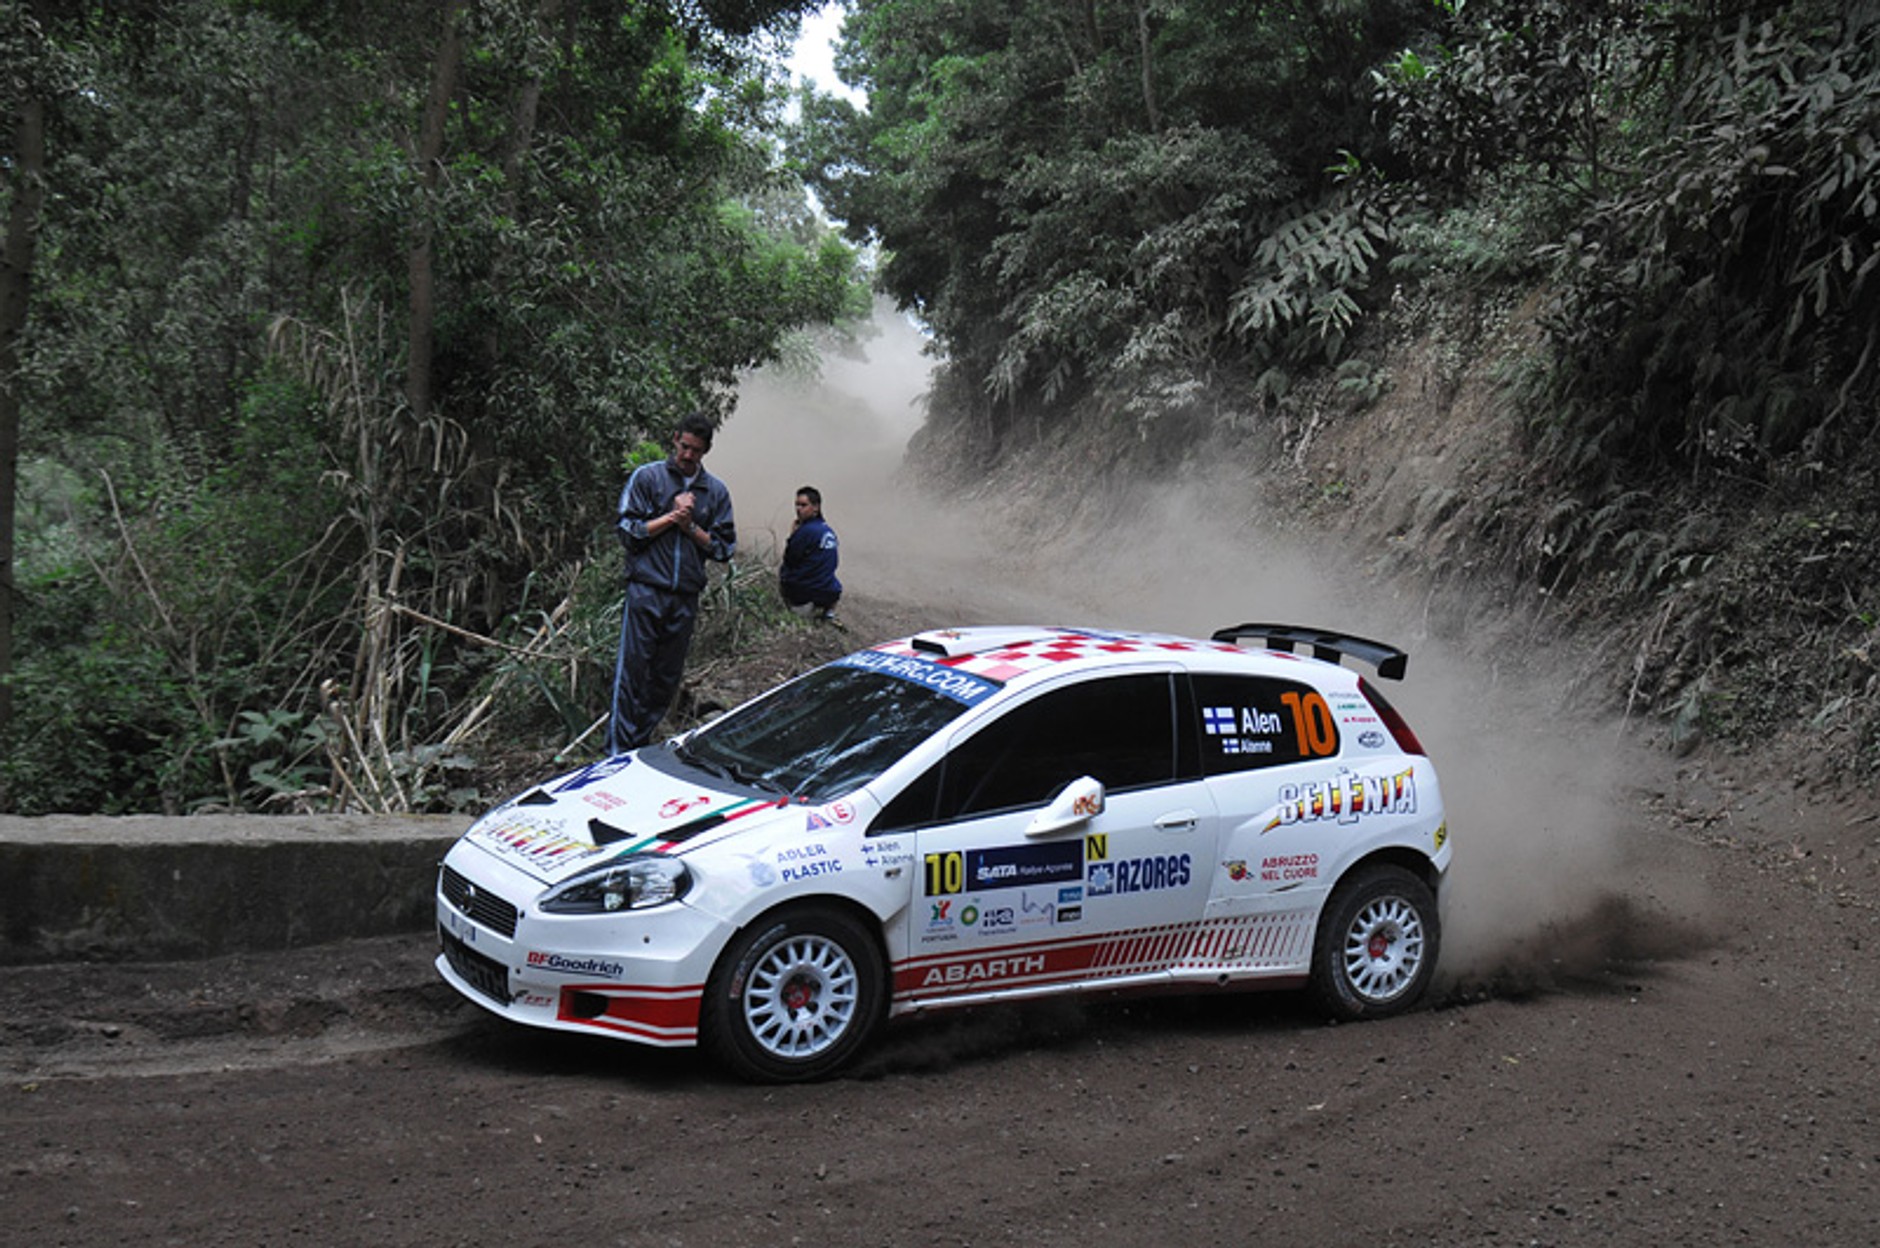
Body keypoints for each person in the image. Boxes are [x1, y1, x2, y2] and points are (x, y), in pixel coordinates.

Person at [607, 414, 736, 754]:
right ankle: (617, 753)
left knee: (665, 679)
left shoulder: (715, 492)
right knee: (632, 673)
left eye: (696, 450)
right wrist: (671, 517)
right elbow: (627, 532)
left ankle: (638, 745)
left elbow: (724, 548)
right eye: (684, 446)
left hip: (685, 597)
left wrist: (690, 527)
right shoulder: (647, 478)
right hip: (646, 590)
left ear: (706, 451)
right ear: (675, 439)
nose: (688, 455)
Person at [779, 485, 841, 621]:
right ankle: (828, 612)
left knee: (785, 572)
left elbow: (789, 559)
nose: (798, 509)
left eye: (803, 505)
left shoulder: (805, 532)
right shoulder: (828, 531)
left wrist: (793, 536)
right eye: (797, 505)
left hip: (806, 592)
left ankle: (796, 608)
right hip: (830, 591)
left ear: (816, 507)